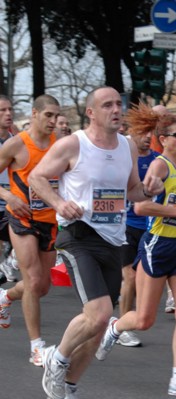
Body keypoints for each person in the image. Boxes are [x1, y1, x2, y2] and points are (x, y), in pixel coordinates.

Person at [29, 87, 163, 399]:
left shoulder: (127, 146)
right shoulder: (74, 144)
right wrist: (59, 203)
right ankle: (57, 357)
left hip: (113, 240)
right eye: (107, 105)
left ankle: (70, 384)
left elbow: (132, 190)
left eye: (119, 104)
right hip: (79, 236)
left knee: (98, 326)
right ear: (91, 112)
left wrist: (150, 190)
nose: (116, 109)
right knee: (100, 313)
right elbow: (37, 177)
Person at [94, 110, 176, 398]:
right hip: (158, 245)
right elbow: (141, 208)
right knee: (144, 320)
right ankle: (115, 327)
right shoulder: (160, 166)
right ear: (163, 140)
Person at [0, 95, 60, 368]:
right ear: (34, 113)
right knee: (33, 279)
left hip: (51, 221)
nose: (52, 121)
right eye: (48, 115)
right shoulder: (17, 144)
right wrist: (9, 197)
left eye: (55, 116)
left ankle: (6, 296)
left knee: (42, 286)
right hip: (21, 219)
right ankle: (37, 347)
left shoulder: (61, 145)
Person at [115, 102, 161, 348]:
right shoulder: (122, 156)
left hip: (150, 228)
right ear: (131, 132)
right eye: (142, 133)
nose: (147, 138)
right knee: (129, 277)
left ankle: (125, 316)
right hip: (124, 225)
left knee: (141, 280)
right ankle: (121, 325)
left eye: (150, 134)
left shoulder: (157, 160)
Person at [0, 95, 16, 282]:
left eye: (10, 109)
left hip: (12, 207)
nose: (8, 113)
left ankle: (9, 263)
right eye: (3, 110)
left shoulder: (18, 142)